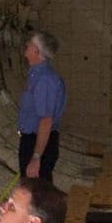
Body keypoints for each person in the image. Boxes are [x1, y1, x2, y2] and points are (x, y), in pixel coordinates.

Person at [18, 31, 66, 181]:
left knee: (37, 195)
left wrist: (36, 157)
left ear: (36, 51)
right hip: (31, 141)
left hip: (38, 143)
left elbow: (46, 120)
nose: (26, 44)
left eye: (30, 43)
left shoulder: (45, 79)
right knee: (31, 194)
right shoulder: (35, 75)